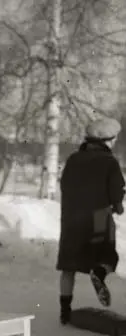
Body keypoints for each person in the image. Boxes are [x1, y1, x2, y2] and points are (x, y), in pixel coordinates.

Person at [57, 117, 125, 324]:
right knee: (108, 257)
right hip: (98, 219)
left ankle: (65, 312)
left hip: (71, 221)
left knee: (68, 266)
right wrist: (118, 206)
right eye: (114, 139)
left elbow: (64, 185)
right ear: (107, 140)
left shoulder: (73, 159)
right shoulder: (109, 162)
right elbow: (116, 191)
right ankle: (99, 272)